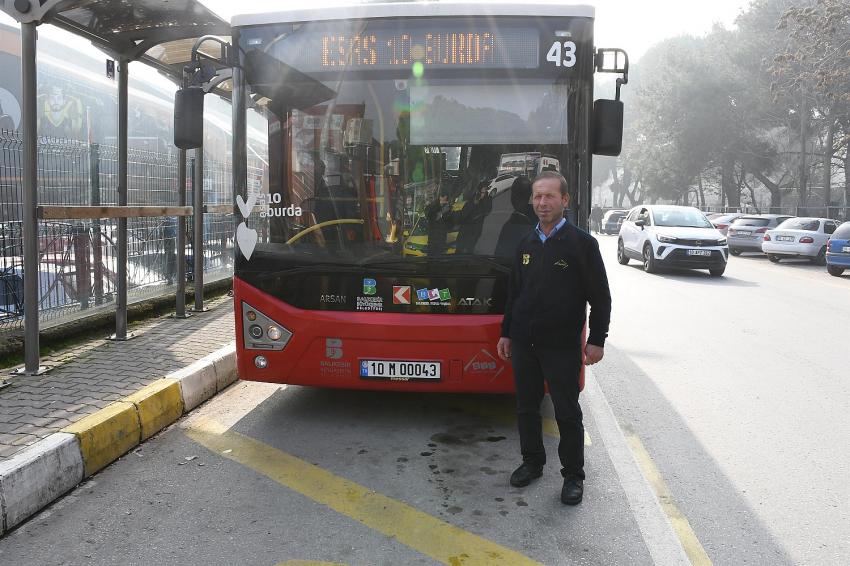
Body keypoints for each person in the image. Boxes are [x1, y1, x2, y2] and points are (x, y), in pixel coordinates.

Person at [496, 171, 611, 506]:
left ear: (565, 200)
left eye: (548, 196)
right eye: (537, 197)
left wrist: (597, 340)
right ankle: (532, 462)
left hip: (561, 346)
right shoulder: (526, 243)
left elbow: (600, 298)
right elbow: (514, 294)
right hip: (524, 344)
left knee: (566, 412)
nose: (542, 203)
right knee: (526, 408)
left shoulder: (582, 245)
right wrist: (506, 332)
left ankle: (573, 476)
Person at [455, 180, 493, 254]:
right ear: (477, 192)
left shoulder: (487, 200)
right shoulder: (472, 200)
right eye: (481, 192)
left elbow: (487, 210)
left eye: (484, 193)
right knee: (459, 253)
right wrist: (473, 203)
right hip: (464, 233)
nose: (482, 195)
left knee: (469, 253)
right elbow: (463, 214)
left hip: (474, 233)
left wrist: (484, 199)